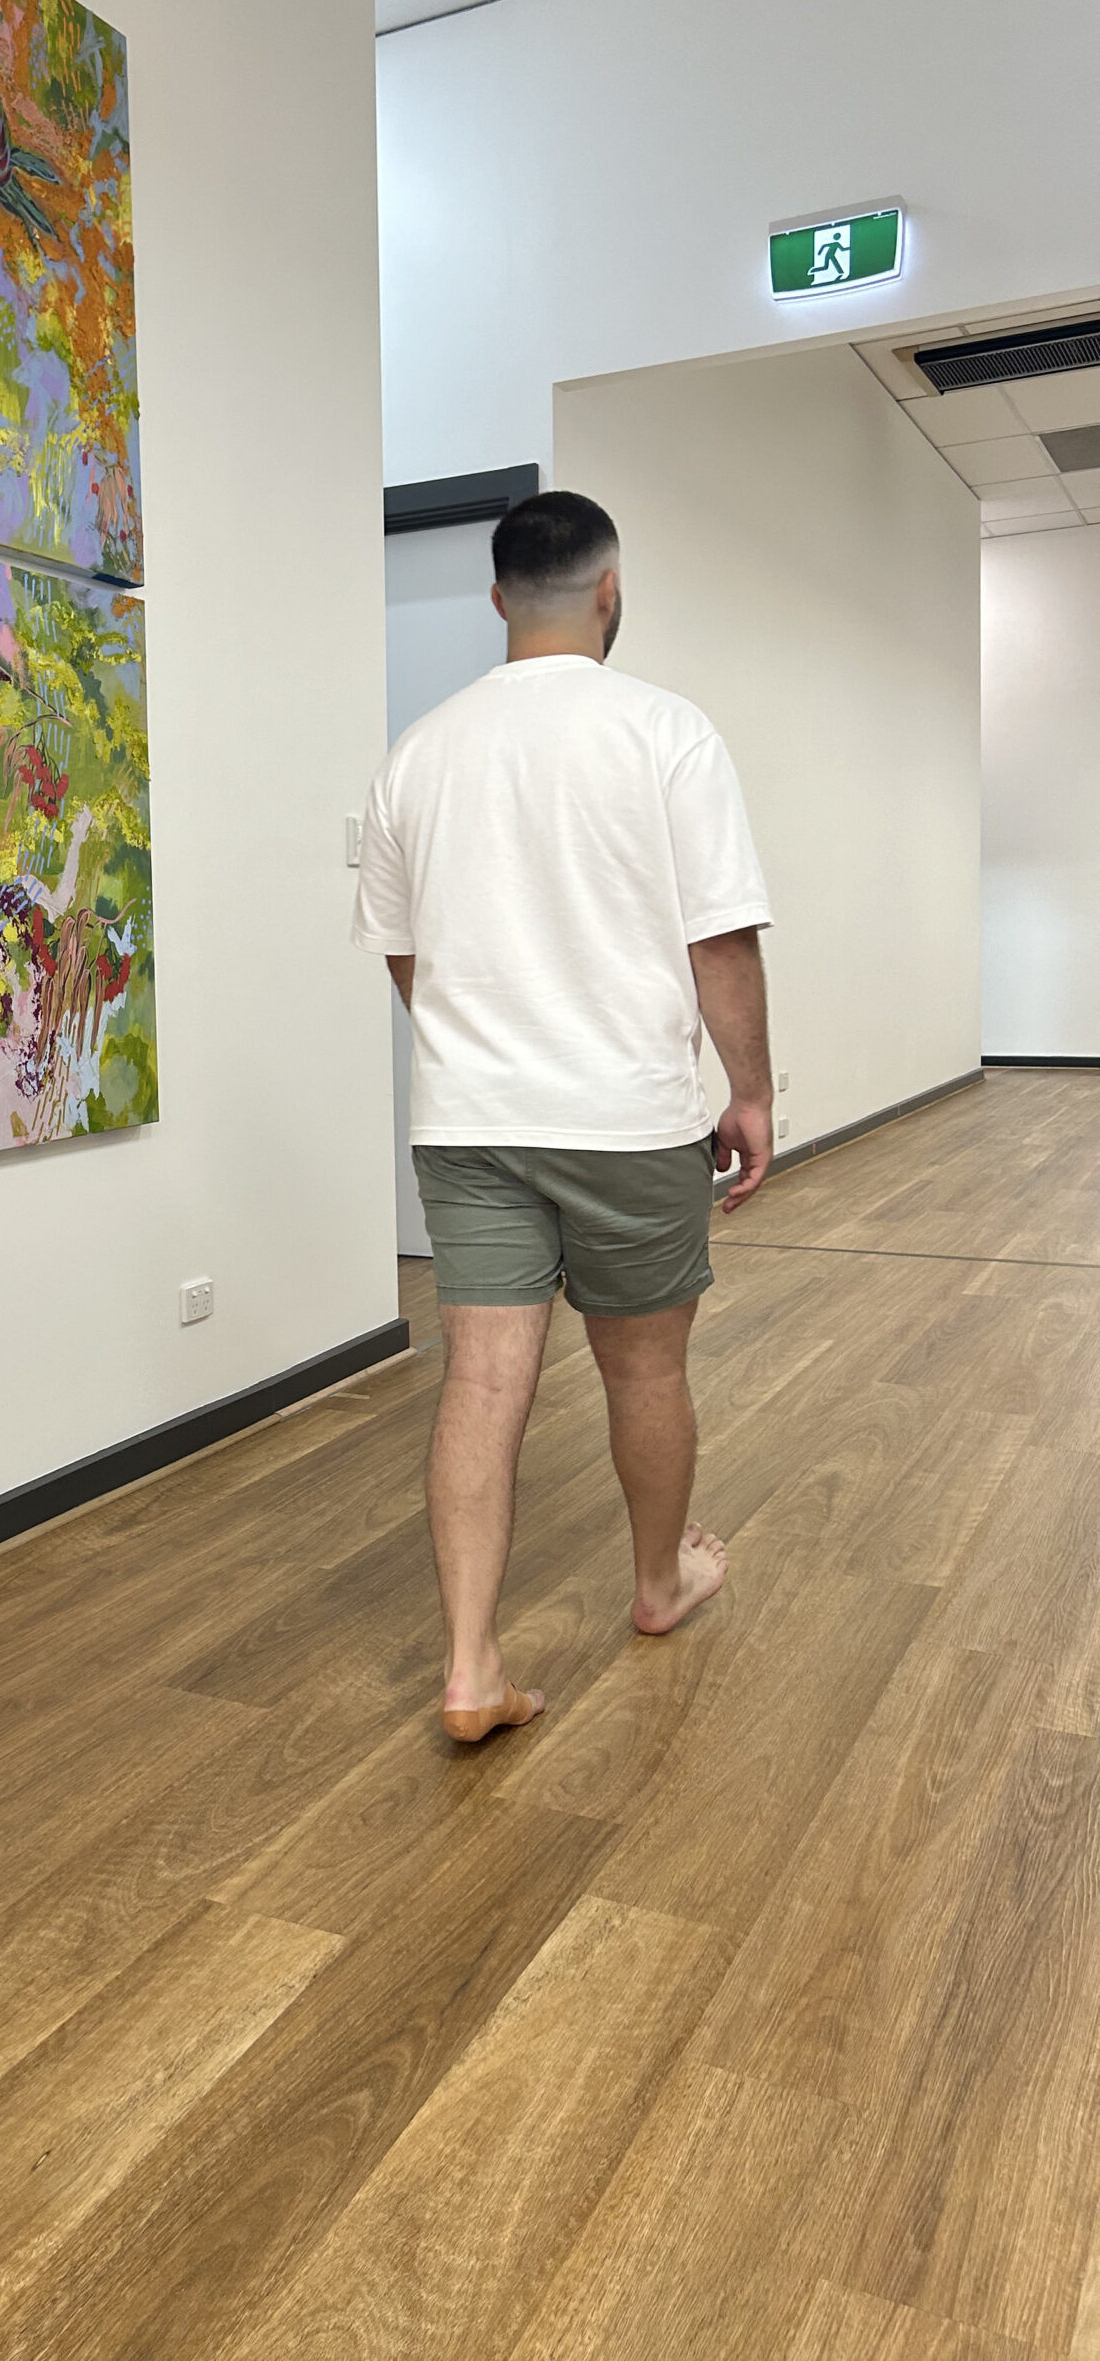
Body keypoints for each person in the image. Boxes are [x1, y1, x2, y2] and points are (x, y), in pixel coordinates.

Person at [352, 490, 773, 1745]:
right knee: (643, 1366)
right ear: (609, 590)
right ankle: (659, 1583)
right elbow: (721, 941)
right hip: (628, 1115)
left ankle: (470, 1666)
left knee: (482, 1378)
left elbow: (403, 951)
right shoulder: (667, 732)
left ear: (496, 599)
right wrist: (751, 1091)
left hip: (469, 1119)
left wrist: (483, 1043)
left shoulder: (418, 752)